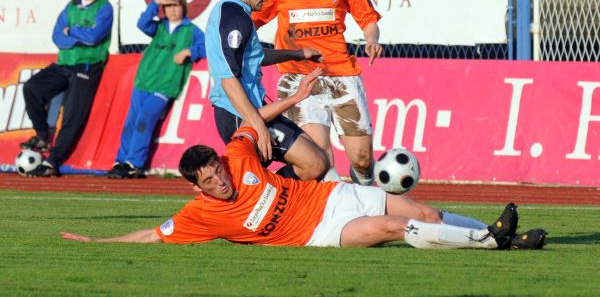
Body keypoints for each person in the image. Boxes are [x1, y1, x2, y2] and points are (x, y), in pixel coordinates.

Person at [60, 126, 547, 250]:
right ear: (196, 188)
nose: (220, 181)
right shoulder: (199, 216)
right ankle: (490, 240)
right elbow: (152, 234)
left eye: (218, 172)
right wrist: (98, 242)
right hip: (322, 233)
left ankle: (499, 236)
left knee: (430, 216)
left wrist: (290, 98)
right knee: (394, 227)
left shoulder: (239, 156)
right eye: (208, 181)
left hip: (334, 195)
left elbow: (252, 122)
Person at [252, 0, 383, 185]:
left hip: (342, 75)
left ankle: (365, 193)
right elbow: (253, 19)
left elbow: (368, 19)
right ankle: (338, 209)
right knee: (320, 155)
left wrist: (371, 39)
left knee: (362, 158)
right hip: (300, 78)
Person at [205, 0, 336, 181]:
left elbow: (255, 57)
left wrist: (297, 53)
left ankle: (272, 193)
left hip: (254, 109)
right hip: (238, 113)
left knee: (317, 159)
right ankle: (270, 195)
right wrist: (257, 124)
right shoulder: (233, 17)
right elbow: (228, 78)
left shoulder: (238, 14)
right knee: (313, 163)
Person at [20, 0, 113, 177]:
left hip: (87, 66)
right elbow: (57, 37)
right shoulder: (71, 6)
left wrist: (71, 31)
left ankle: (52, 161)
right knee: (31, 87)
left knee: (72, 116)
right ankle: (42, 135)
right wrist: (77, 36)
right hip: (64, 64)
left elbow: (94, 37)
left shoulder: (105, 7)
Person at [106, 0, 206, 179]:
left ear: (183, 7)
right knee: (131, 122)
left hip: (165, 85)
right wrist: (156, 2)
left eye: (176, 5)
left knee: (144, 118)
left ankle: (134, 163)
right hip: (144, 81)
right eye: (168, 6)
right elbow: (142, 23)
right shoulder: (159, 26)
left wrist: (189, 51)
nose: (172, 10)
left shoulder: (191, 30)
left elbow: (208, 45)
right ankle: (121, 161)